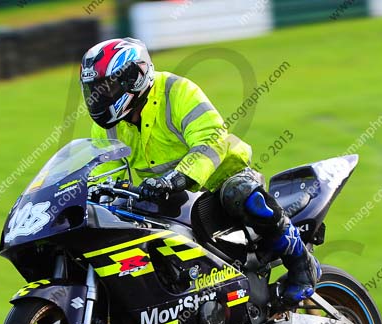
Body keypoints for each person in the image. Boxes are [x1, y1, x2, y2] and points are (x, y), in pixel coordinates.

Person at [80, 38, 320, 303]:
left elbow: (211, 138)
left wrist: (178, 177)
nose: (97, 97)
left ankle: (302, 264)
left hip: (221, 179)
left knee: (240, 192)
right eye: (93, 90)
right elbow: (108, 173)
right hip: (169, 197)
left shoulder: (177, 91)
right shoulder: (107, 127)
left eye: (105, 88)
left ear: (133, 78)